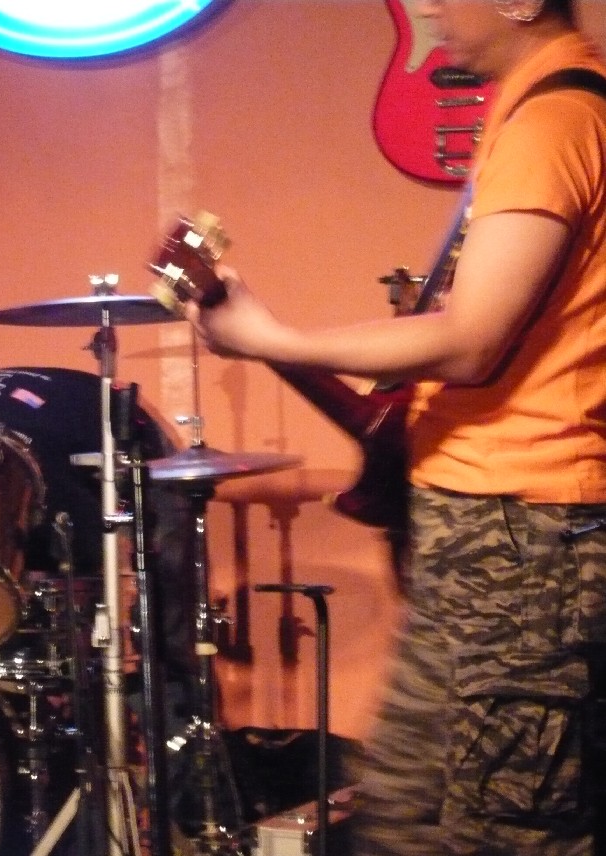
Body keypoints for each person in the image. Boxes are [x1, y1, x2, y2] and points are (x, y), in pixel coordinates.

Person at [183, 2, 606, 854]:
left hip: (525, 534)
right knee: (408, 813)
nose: (428, 7)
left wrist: (272, 338)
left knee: (505, 829)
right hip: (488, 524)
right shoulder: (537, 110)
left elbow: (470, 341)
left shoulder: (557, 120)